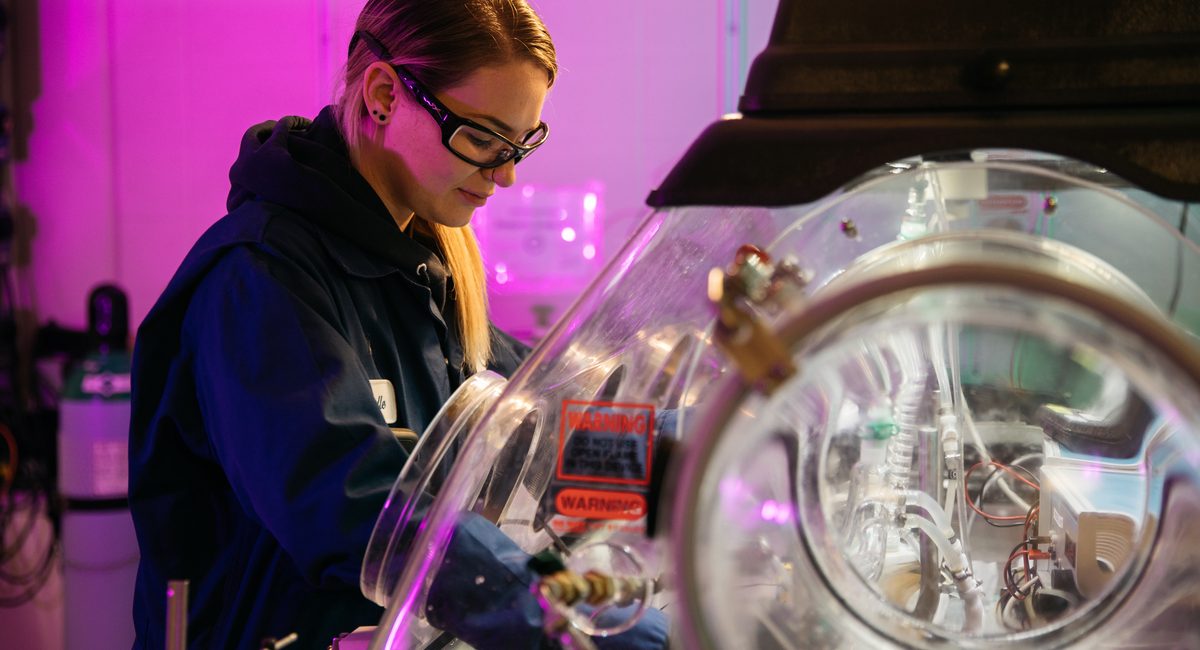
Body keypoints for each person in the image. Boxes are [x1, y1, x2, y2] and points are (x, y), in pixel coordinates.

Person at [128, 1, 669, 648]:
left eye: (522, 143)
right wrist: (565, 622)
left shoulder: (421, 266)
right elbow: (358, 509)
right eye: (483, 139)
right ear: (385, 95)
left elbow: (526, 424)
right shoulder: (261, 278)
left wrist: (682, 457)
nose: (506, 174)